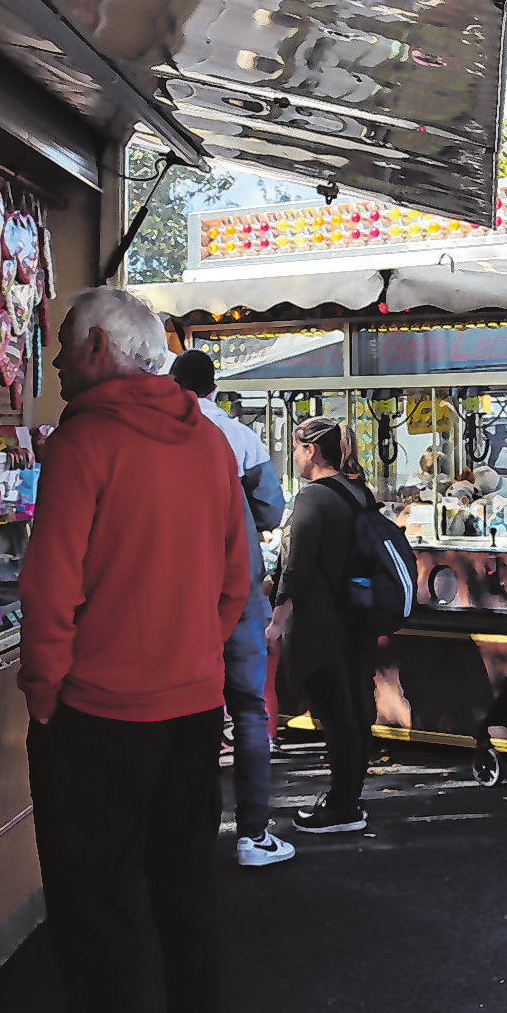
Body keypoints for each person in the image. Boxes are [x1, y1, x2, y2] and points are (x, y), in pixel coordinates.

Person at [17, 287, 248, 1013]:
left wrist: (48, 697)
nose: (56, 364)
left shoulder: (83, 444)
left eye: (66, 347)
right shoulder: (211, 445)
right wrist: (192, 655)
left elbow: (48, 592)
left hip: (96, 719)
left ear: (100, 350)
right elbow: (236, 582)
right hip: (190, 709)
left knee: (99, 910)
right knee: (185, 900)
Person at [170, 349, 293, 868]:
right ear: (216, 387)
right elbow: (271, 509)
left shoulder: (158, 433)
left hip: (179, 589)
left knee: (181, 707)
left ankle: (186, 833)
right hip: (238, 585)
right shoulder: (239, 436)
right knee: (247, 709)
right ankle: (254, 832)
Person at [278, 415, 382, 832]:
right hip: (357, 616)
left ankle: (341, 806)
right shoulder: (359, 491)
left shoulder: (313, 498)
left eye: (297, 449)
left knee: (336, 716)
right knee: (354, 711)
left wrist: (275, 622)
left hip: (319, 624)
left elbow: (296, 568)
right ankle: (349, 797)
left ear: (311, 450)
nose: (296, 457)